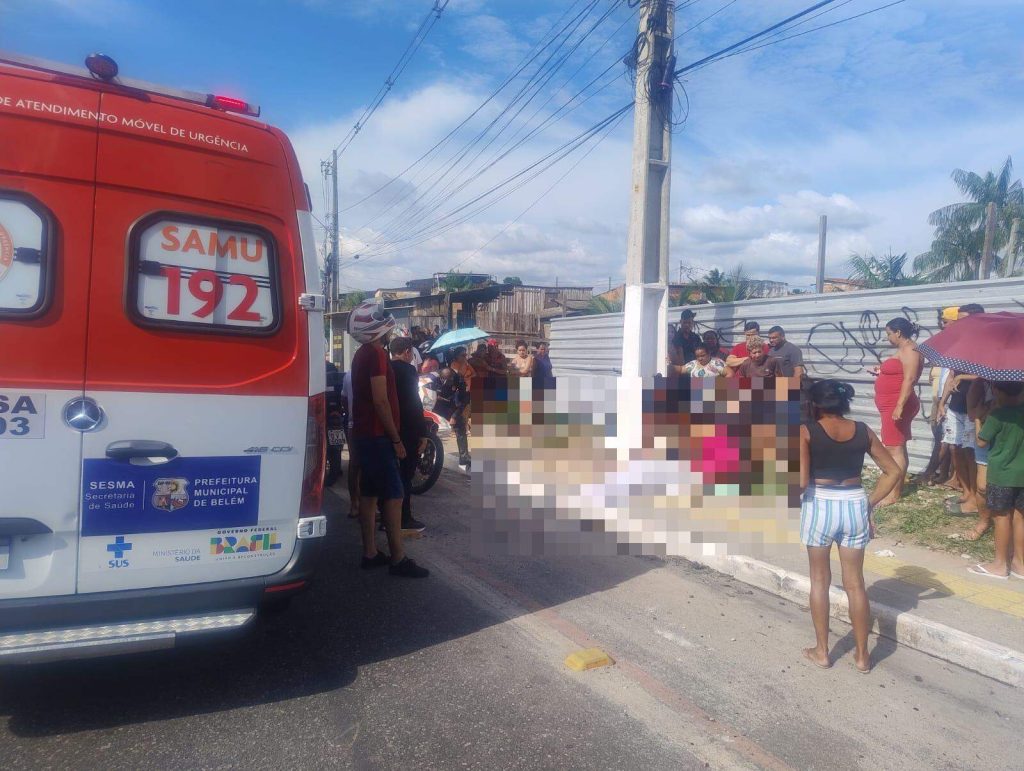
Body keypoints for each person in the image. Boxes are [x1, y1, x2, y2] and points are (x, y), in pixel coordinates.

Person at [799, 380, 901, 673]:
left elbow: (803, 482)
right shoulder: (863, 430)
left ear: (815, 405)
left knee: (820, 580)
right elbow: (893, 470)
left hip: (820, 503)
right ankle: (862, 657)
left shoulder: (806, 431)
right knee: (855, 583)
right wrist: (869, 503)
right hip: (854, 502)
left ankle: (822, 652)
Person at [347, 300, 429, 578]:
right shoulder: (377, 354)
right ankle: (398, 558)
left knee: (369, 495)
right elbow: (381, 400)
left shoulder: (362, 354)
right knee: (394, 496)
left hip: (364, 435)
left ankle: (370, 552)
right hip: (378, 436)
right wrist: (396, 439)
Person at [969, 381, 1024, 580]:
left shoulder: (998, 416)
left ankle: (1000, 564)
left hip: (1002, 474)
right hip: (1022, 474)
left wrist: (977, 420)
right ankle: (1020, 563)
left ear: (997, 391)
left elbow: (982, 441)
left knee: (1001, 517)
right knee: (1020, 517)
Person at [869, 318, 924, 506]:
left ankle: (894, 493)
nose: (888, 338)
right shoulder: (905, 350)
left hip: (896, 404)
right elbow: (900, 373)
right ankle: (895, 489)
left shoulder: (910, 350)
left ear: (898, 333)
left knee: (894, 448)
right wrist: (881, 373)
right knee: (898, 446)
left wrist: (899, 406)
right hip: (891, 403)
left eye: (889, 334)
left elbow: (909, 379)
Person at [937, 303, 986, 515]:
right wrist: (942, 402)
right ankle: (966, 491)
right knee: (955, 448)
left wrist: (962, 376)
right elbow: (950, 374)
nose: (960, 322)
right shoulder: (960, 342)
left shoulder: (985, 344)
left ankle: (975, 498)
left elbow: (986, 373)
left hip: (973, 407)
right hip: (955, 405)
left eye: (964, 318)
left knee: (970, 452)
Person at [389, 336, 429, 533]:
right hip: (408, 429)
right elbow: (414, 402)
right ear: (406, 352)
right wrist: (423, 432)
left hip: (388, 427)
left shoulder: (386, 368)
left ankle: (387, 517)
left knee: (391, 474)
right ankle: (404, 518)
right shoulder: (408, 370)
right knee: (406, 474)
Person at [963, 377, 996, 541]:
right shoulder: (983, 379)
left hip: (1013, 433)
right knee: (982, 487)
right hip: (984, 432)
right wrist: (980, 413)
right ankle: (984, 520)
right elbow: (971, 412)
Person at [429, 366, 471, 467]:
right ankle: (429, 456)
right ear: (442, 378)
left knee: (460, 425)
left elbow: (465, 399)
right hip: (433, 403)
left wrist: (455, 415)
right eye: (447, 380)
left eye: (451, 379)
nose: (450, 382)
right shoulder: (432, 378)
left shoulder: (458, 378)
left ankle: (464, 457)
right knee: (430, 427)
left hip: (449, 404)